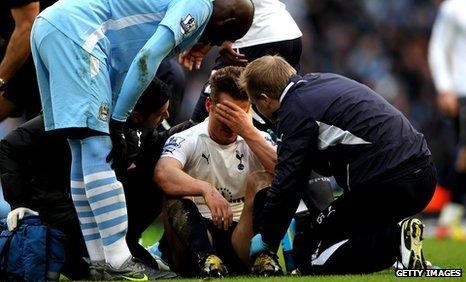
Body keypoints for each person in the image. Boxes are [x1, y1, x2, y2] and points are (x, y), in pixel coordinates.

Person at [29, 0, 254, 279]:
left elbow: (127, 55)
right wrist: (118, 121)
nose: (216, 43)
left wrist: (114, 114)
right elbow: (147, 56)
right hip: (80, 32)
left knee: (83, 147)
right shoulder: (200, 5)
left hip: (53, 25)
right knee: (100, 150)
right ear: (225, 21)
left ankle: (99, 261)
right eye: (223, 37)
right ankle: (119, 261)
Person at [240, 55, 436, 275]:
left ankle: (395, 241)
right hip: (423, 173)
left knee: (309, 256)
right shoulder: (323, 80)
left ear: (265, 99)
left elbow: (288, 183)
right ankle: (401, 248)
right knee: (335, 233)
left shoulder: (295, 110)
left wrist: (267, 238)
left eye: (255, 104)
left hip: (387, 183)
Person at [0, 79, 178, 280]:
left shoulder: (136, 126)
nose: (167, 116)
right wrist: (18, 200)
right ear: (136, 116)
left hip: (90, 199)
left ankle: (125, 247)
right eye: (161, 114)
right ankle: (84, 258)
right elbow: (9, 145)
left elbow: (157, 145)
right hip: (58, 198)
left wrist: (193, 130)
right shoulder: (75, 115)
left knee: (156, 179)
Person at [149, 66, 277, 277]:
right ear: (209, 105)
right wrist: (206, 189)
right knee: (172, 195)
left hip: (241, 237)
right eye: (226, 112)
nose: (231, 123)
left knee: (264, 180)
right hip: (196, 239)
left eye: (238, 114)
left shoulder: (257, 138)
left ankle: (263, 258)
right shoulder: (187, 138)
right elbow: (163, 173)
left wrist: (248, 132)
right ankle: (208, 260)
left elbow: (286, 173)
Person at [189, 0, 302, 129]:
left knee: (204, 118)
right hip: (288, 31)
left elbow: (228, 6)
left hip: (255, 37)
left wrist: (226, 38)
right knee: (282, 112)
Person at [428, 0, 466, 240]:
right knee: (464, 156)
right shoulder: (453, 7)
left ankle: (451, 217)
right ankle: (451, 217)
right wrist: (444, 88)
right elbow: (438, 48)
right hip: (463, 93)